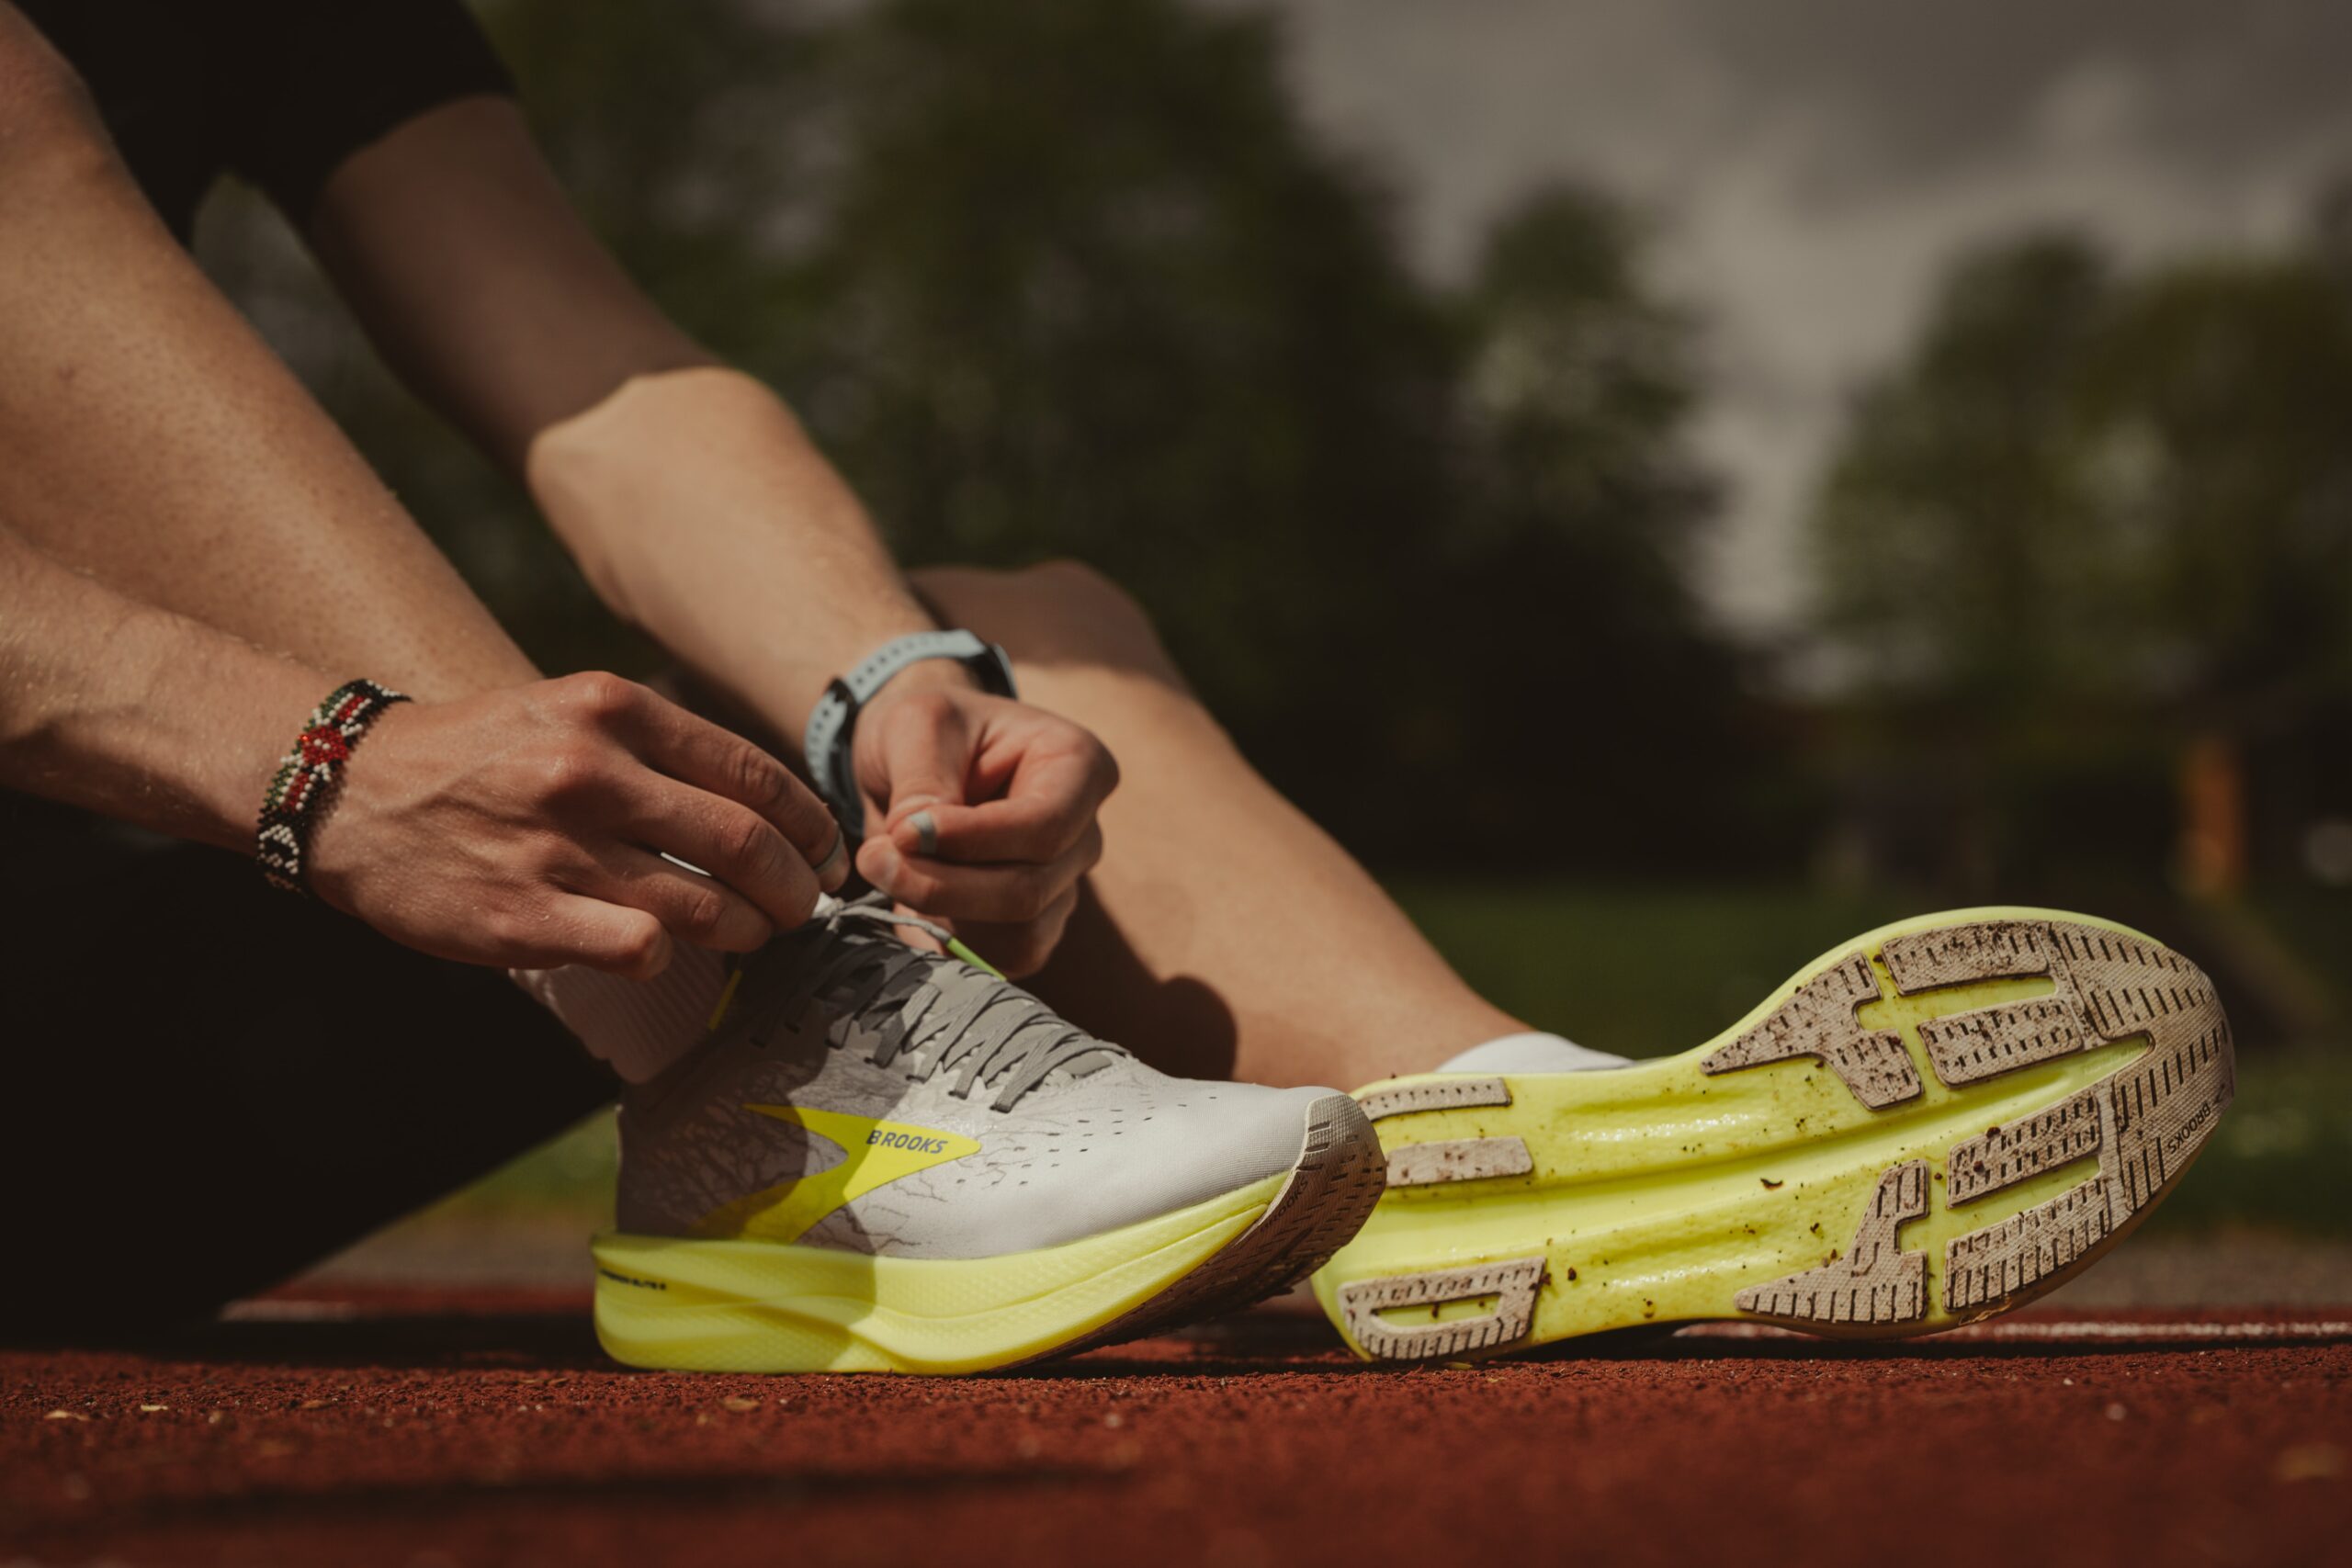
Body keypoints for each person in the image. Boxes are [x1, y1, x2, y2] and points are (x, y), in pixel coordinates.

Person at [0, 0, 2233, 1372]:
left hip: (162, 1044)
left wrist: (892, 684)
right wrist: (318, 769)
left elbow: (610, 388)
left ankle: (1481, 1129)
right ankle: (770, 1082)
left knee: (1016, 603)